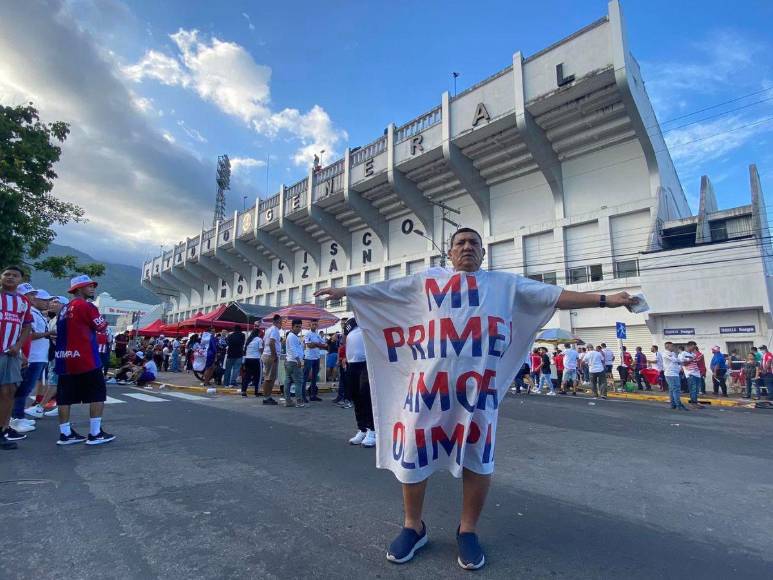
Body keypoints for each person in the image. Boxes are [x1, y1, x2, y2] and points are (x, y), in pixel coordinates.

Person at [313, 227, 636, 569]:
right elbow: (385, 291)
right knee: (413, 453)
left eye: (474, 243)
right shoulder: (426, 281)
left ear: (483, 253)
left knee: (477, 457)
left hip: (478, 392)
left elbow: (554, 295)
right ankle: (413, 526)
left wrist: (606, 299)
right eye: (460, 243)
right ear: (450, 252)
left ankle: (467, 530)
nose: (467, 247)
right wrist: (345, 291)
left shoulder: (504, 285)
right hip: (426, 390)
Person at [55, 275, 115, 445]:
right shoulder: (87, 306)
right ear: (79, 289)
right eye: (89, 286)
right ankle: (95, 433)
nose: (92, 288)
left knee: (64, 398)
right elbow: (101, 326)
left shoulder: (64, 309)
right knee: (97, 394)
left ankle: (65, 434)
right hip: (86, 358)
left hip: (64, 358)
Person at [10, 285, 52, 436]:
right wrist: (49, 333)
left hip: (39, 356)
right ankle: (16, 418)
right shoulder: (30, 314)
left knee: (26, 389)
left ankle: (19, 416)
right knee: (23, 389)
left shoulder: (35, 313)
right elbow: (30, 335)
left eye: (35, 295)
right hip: (32, 357)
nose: (47, 303)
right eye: (44, 300)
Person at [0, 267, 33, 449]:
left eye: (15, 275)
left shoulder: (23, 301)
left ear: (20, 280)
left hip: (11, 353)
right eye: (7, 274)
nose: (11, 277)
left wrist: (19, 346)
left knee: (9, 391)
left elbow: (27, 326)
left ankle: (2, 431)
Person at [26, 295, 68, 419]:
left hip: (61, 354)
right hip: (52, 353)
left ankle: (40, 407)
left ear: (64, 305)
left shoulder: (66, 318)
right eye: (52, 301)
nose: (52, 303)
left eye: (56, 302)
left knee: (54, 381)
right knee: (58, 382)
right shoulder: (54, 319)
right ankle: (60, 406)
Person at [342, 317, 376, 447]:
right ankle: (362, 429)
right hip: (352, 363)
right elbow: (346, 338)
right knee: (355, 396)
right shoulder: (351, 322)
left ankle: (372, 430)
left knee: (366, 395)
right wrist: (345, 356)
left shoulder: (369, 316)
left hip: (366, 362)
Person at [302, 320, 326, 402]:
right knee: (305, 377)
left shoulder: (317, 334)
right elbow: (309, 345)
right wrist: (317, 344)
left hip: (316, 357)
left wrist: (315, 344)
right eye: (313, 324)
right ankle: (303, 396)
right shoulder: (307, 334)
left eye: (316, 324)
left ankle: (313, 395)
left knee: (314, 377)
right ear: (310, 325)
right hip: (309, 358)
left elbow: (324, 344)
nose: (314, 326)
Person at [260, 315, 282, 405]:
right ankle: (267, 397)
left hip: (267, 354)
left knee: (269, 377)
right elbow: (271, 343)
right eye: (281, 322)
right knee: (269, 378)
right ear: (278, 322)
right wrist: (274, 355)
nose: (281, 324)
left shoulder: (269, 330)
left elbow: (264, 342)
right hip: (270, 355)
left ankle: (268, 396)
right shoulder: (275, 330)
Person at [283, 319, 304, 407]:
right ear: (292, 327)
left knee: (288, 382)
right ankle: (299, 401)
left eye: (300, 327)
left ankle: (288, 401)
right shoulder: (292, 336)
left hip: (290, 361)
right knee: (298, 382)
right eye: (297, 326)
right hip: (294, 362)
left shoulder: (292, 336)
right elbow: (293, 349)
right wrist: (298, 360)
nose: (298, 328)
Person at [663, 342, 688, 410]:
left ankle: (673, 404)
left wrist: (680, 364)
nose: (673, 347)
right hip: (670, 374)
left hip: (675, 373)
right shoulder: (665, 353)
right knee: (676, 389)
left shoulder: (673, 353)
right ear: (667, 347)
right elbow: (675, 360)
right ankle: (678, 405)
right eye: (671, 346)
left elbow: (677, 362)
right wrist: (685, 359)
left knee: (672, 390)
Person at [241, 323, 263, 397]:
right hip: (256, 359)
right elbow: (260, 349)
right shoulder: (259, 339)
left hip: (248, 359)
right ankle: (257, 392)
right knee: (258, 376)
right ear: (258, 333)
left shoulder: (248, 340)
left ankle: (244, 391)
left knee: (247, 375)